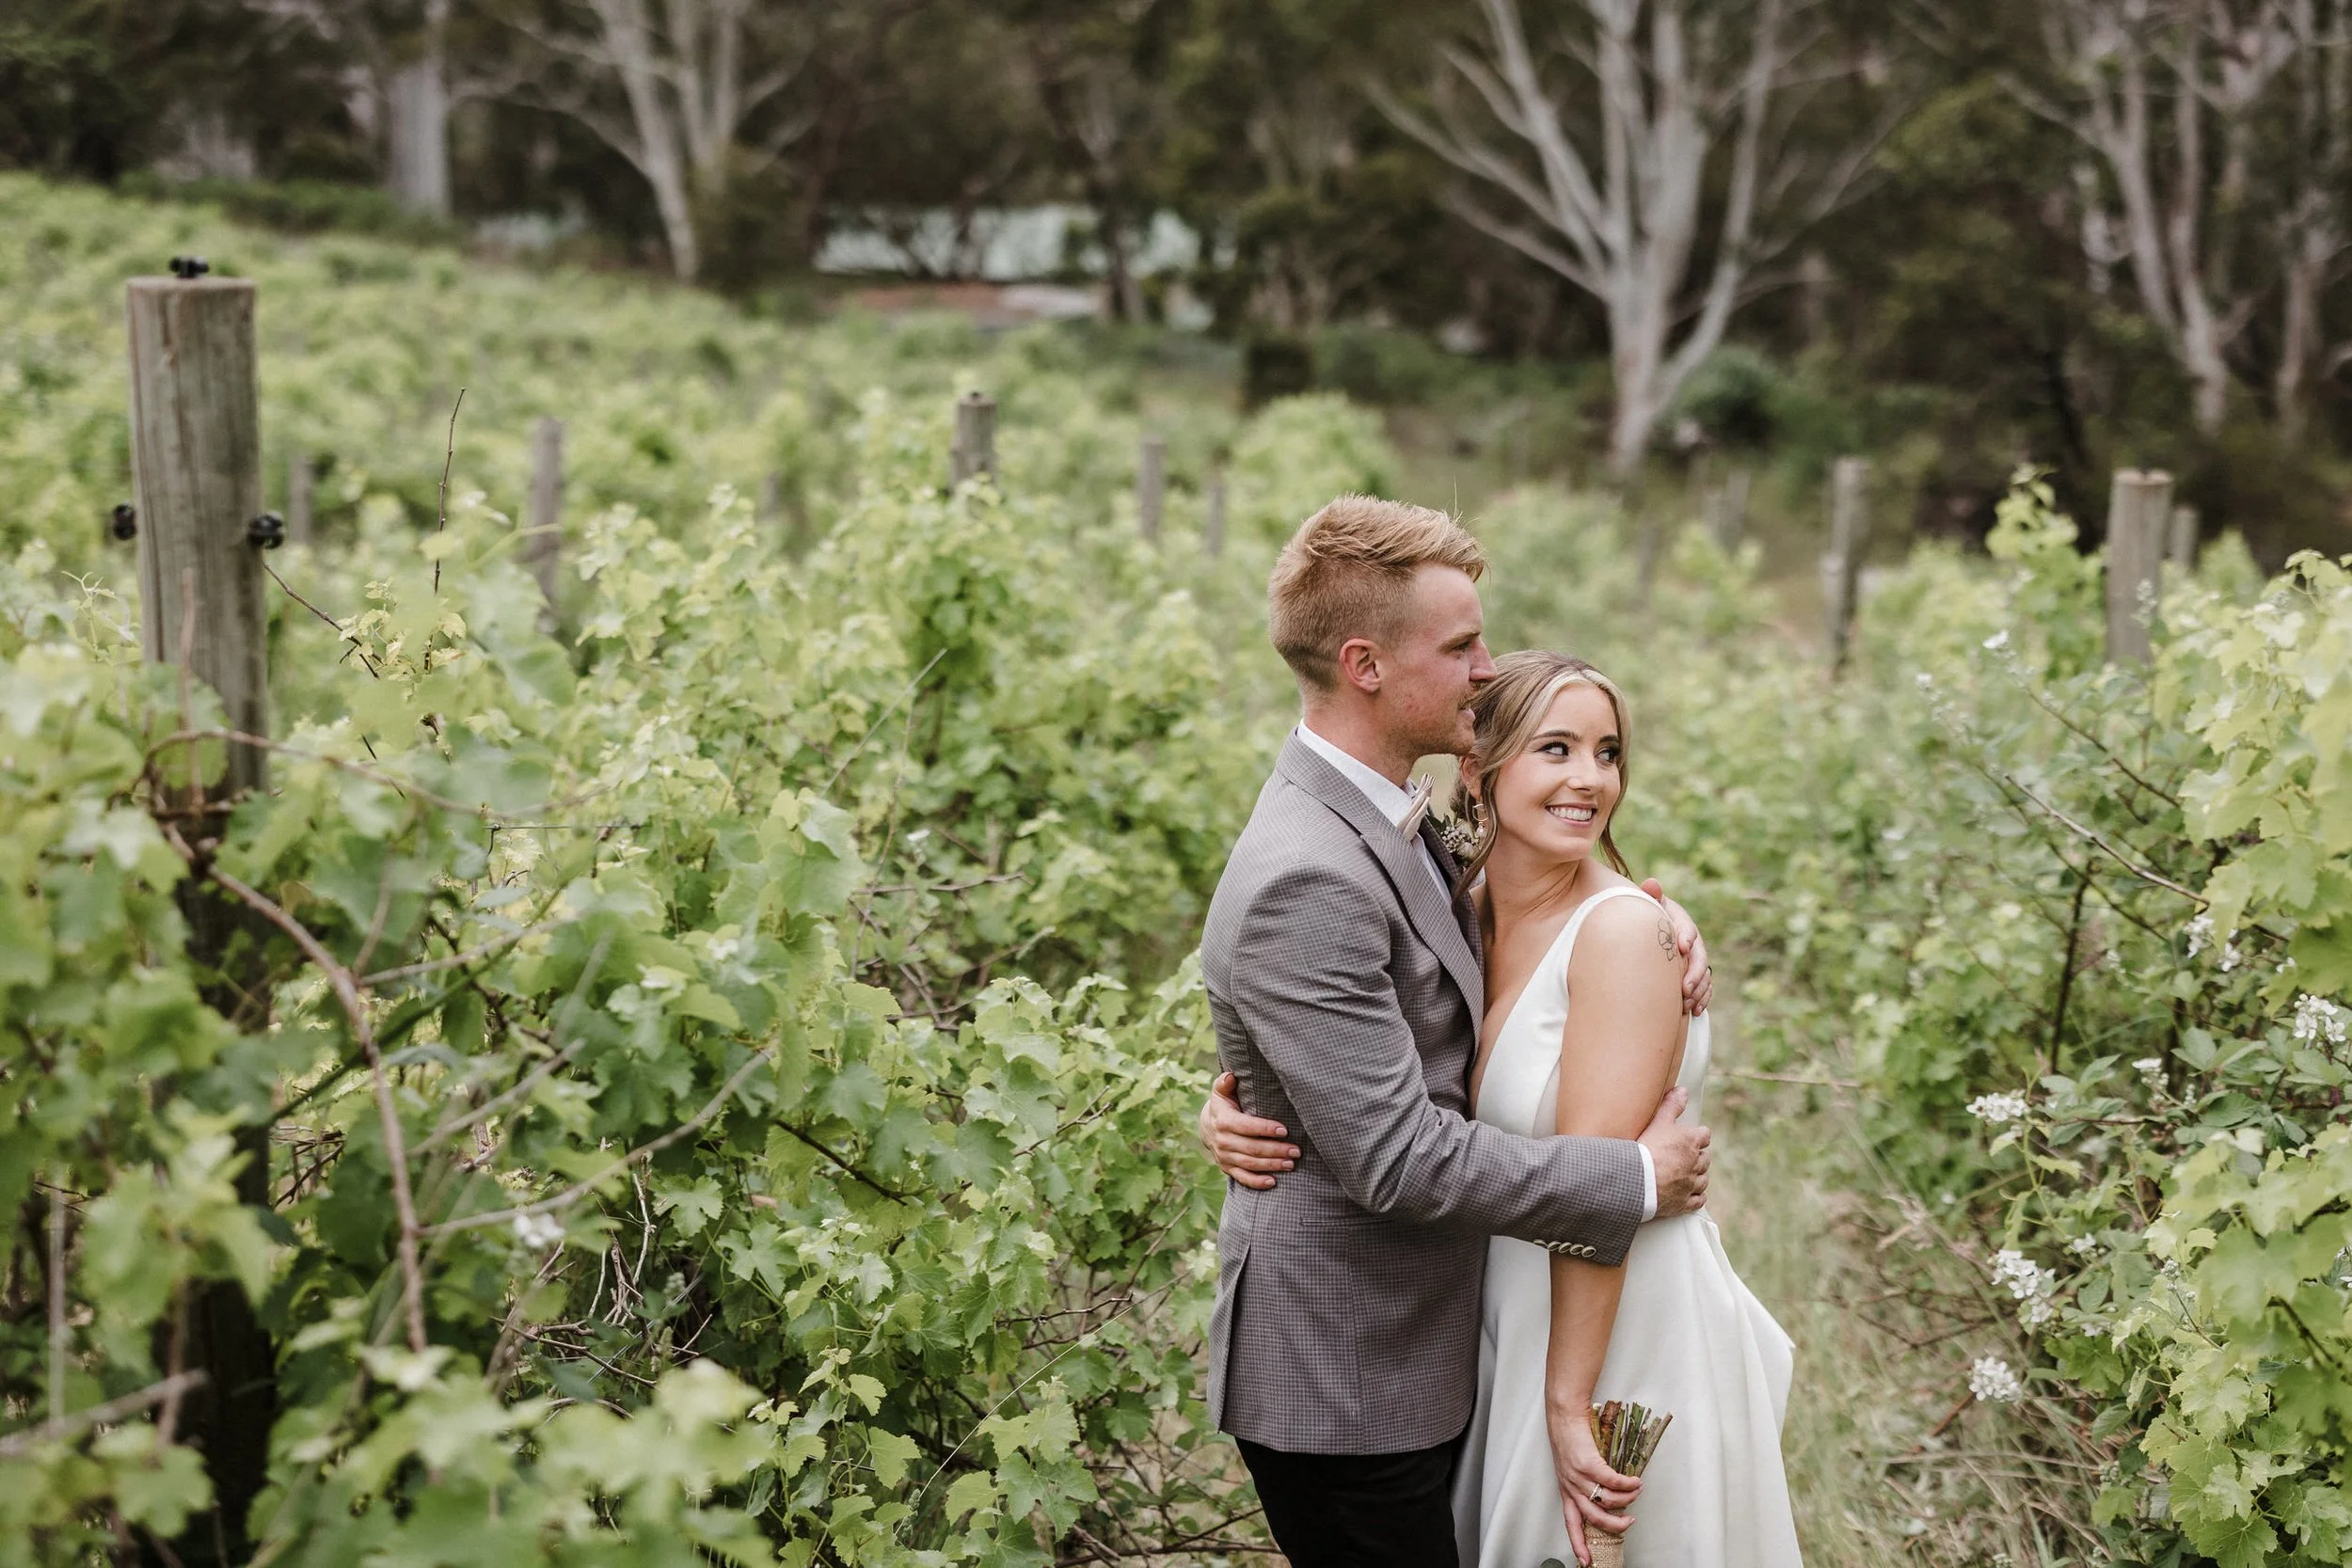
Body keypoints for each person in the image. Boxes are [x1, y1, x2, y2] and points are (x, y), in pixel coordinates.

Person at [1192, 496, 1713, 1567]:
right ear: (1365, 663)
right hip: (1348, 1372)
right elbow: (1394, 1156)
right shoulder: (1311, 867)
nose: (1486, 666)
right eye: (1462, 643)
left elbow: (1432, 989)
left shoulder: (1391, 812)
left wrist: (1639, 915)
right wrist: (1633, 1179)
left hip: (1436, 1337)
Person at [1445, 651, 1800, 1568]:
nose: (1589, 778)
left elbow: (1593, 1195)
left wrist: (1570, 1402)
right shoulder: (1460, 907)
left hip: (1613, 1322)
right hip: (1510, 1307)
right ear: (1476, 766)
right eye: (1554, 747)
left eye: (1606, 752)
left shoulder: (1621, 933)